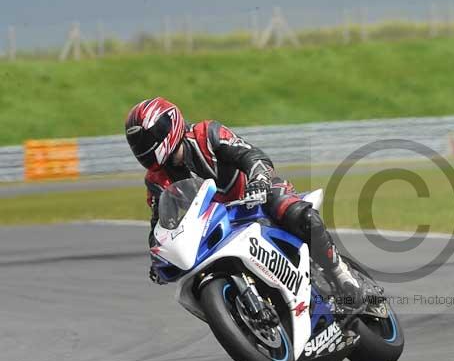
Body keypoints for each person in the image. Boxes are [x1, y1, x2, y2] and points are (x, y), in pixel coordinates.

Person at [125, 97, 363, 306]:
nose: (143, 149)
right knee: (193, 276)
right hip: (216, 226)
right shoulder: (156, 180)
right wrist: (159, 256)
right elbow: (160, 224)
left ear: (168, 126)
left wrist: (258, 179)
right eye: (138, 144)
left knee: (297, 214)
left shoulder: (206, 134)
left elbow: (251, 155)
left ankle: (339, 272)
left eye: (147, 140)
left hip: (254, 198)